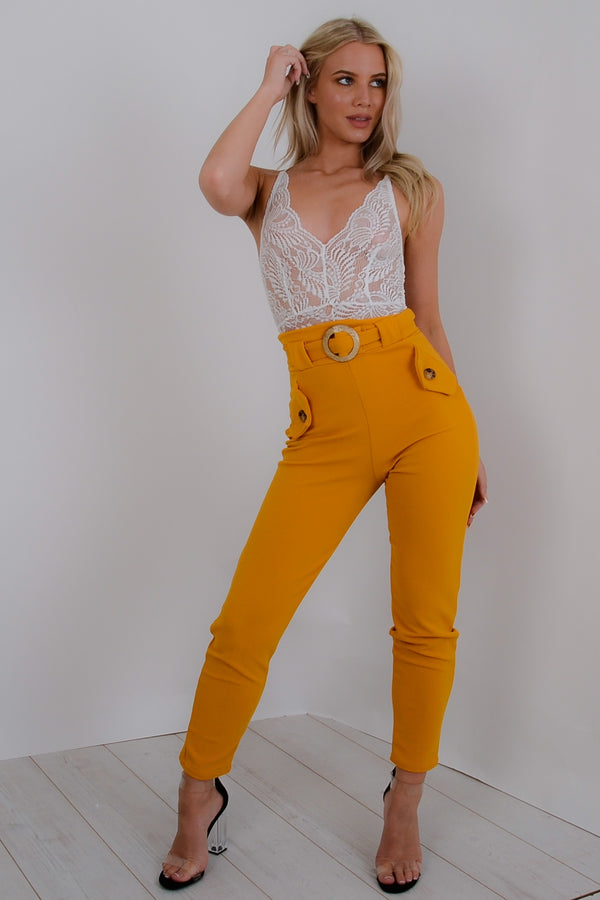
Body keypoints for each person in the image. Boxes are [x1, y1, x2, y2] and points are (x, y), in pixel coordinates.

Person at [159, 16, 487, 894]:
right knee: (245, 624)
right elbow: (214, 180)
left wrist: (471, 438)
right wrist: (269, 84)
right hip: (323, 430)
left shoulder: (413, 187)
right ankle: (198, 792)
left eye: (377, 83)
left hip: (427, 413)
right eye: (344, 80)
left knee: (425, 623)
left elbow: (429, 317)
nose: (364, 99)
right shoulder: (265, 190)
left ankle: (405, 799)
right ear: (308, 85)